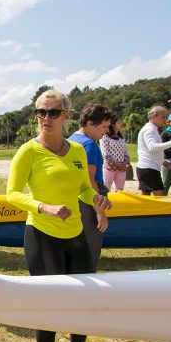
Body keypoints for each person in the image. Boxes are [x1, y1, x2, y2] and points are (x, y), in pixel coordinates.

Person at [7, 89, 111, 342]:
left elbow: (84, 189)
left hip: (76, 236)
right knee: (47, 306)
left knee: (83, 303)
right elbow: (12, 195)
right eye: (41, 112)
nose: (46, 117)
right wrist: (43, 207)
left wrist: (96, 200)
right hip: (42, 235)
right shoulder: (28, 151)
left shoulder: (77, 150)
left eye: (53, 112)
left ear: (65, 116)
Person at [68, 103, 112, 271]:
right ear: (90, 123)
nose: (106, 131)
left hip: (73, 198)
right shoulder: (89, 145)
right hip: (89, 201)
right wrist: (100, 212)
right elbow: (90, 179)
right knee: (90, 250)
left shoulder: (70, 140)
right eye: (103, 126)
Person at [136, 106, 171, 196]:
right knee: (161, 197)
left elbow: (151, 151)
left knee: (145, 197)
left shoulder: (152, 129)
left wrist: (162, 161)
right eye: (163, 117)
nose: (165, 120)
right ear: (154, 116)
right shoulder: (149, 130)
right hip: (148, 169)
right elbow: (152, 147)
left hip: (148, 168)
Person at [100, 117, 130, 192]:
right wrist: (116, 164)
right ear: (113, 124)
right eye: (119, 123)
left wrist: (125, 162)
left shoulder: (121, 137)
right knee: (106, 189)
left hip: (121, 168)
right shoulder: (105, 136)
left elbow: (125, 151)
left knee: (120, 190)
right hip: (110, 168)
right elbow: (105, 153)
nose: (121, 124)